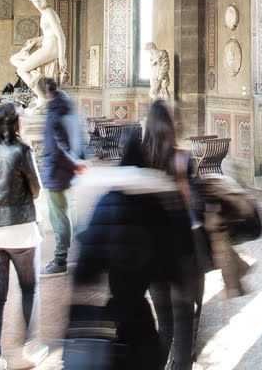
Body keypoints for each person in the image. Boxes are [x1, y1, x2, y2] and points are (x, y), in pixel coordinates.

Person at [71, 132, 192, 370]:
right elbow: (174, 264)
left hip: (115, 314)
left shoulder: (107, 201)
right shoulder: (157, 204)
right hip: (141, 319)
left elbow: (86, 267)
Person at [0, 103, 49, 370]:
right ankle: (30, 347)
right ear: (16, 124)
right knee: (30, 290)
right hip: (20, 232)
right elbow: (37, 190)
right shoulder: (21, 151)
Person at [142, 100, 203, 369]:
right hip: (182, 253)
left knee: (164, 326)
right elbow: (194, 207)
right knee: (184, 329)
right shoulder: (182, 158)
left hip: (152, 255)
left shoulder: (138, 161)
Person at [40, 76, 87, 276]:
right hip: (71, 168)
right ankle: (88, 252)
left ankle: (60, 259)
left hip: (58, 171)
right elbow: (80, 136)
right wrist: (79, 161)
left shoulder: (53, 114)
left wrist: (73, 164)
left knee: (59, 215)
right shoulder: (70, 108)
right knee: (71, 214)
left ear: (44, 93)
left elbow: (55, 148)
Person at [10, 0, 68, 103]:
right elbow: (48, 34)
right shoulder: (44, 13)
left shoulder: (49, 12)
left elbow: (60, 36)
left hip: (51, 48)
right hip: (47, 45)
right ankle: (35, 73)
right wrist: (36, 40)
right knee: (14, 58)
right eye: (34, 0)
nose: (37, 2)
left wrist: (61, 58)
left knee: (21, 70)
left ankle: (42, 98)